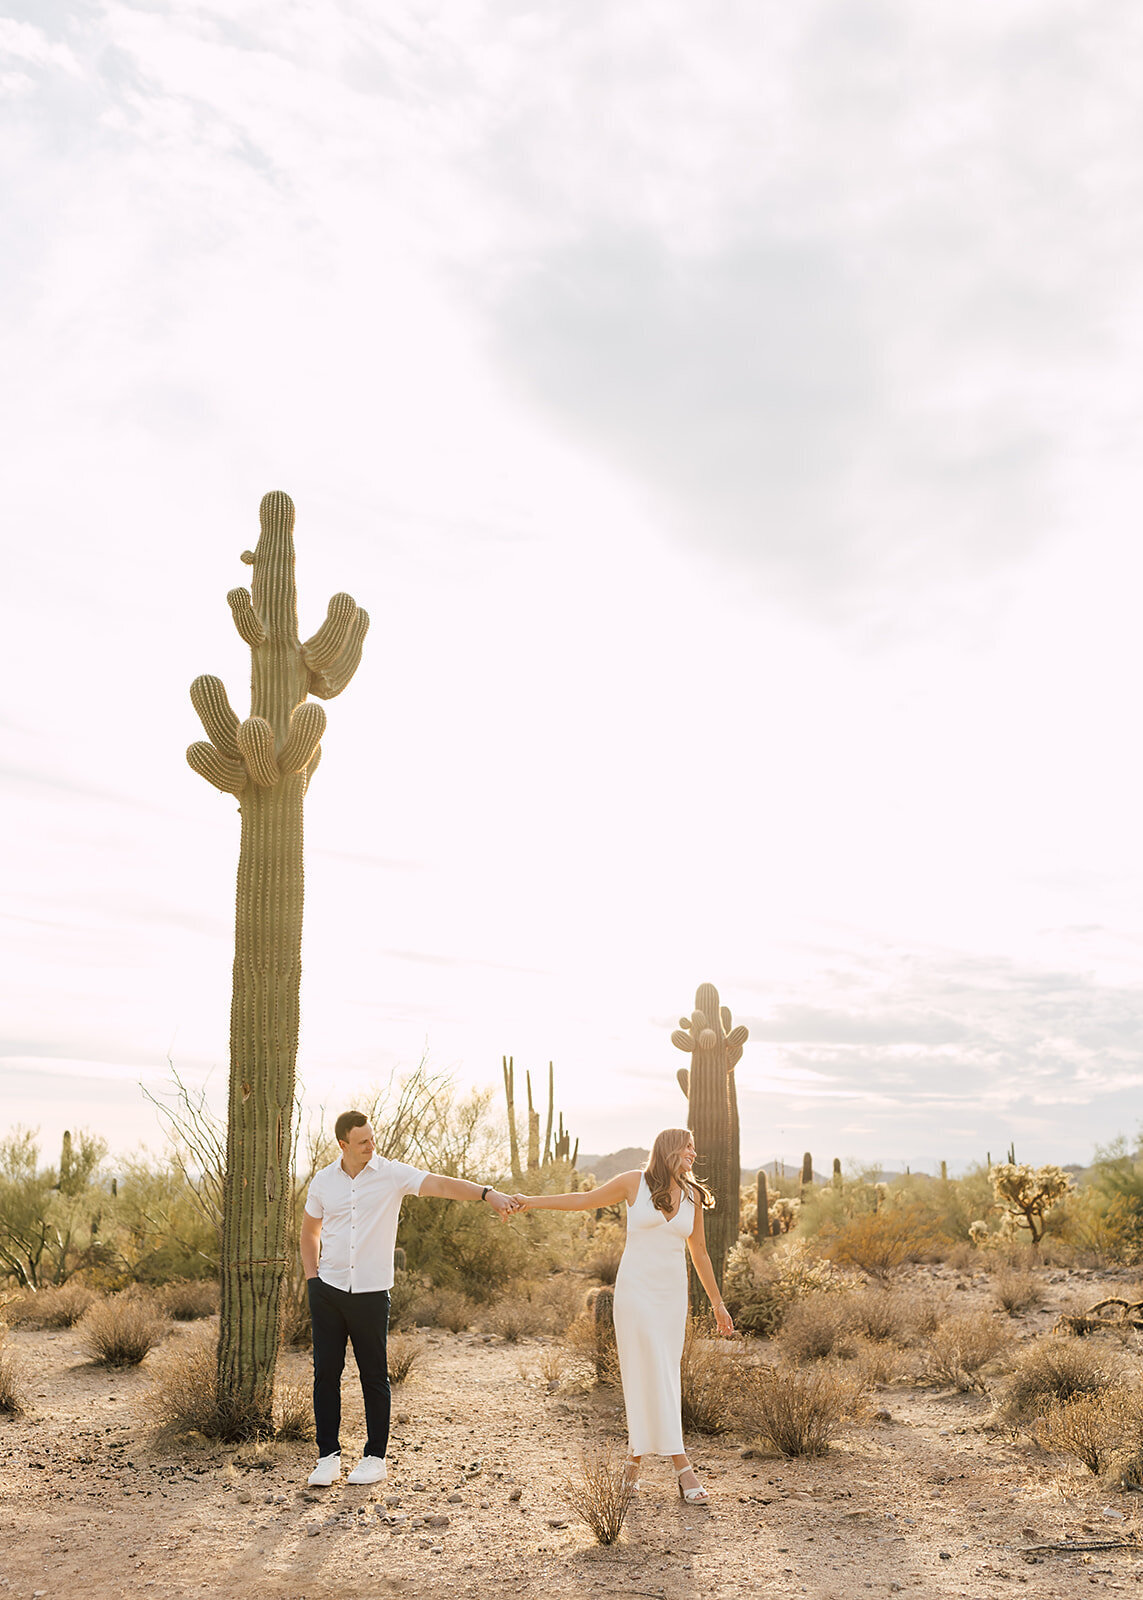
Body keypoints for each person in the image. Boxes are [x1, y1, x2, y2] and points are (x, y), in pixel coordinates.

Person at [300, 1109, 518, 1487]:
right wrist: (312, 1281)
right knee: (326, 1376)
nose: (371, 1145)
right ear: (342, 1145)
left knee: (373, 1376)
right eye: (363, 1141)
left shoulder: (391, 1174)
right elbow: (309, 1232)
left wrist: (486, 1194)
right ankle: (327, 1457)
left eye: (372, 1138)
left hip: (370, 1294)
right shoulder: (323, 1182)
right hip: (328, 1292)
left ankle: (374, 1457)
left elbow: (444, 1185)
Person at [515, 1127, 734, 1503]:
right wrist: (531, 1201)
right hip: (635, 1293)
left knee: (664, 1372)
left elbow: (699, 1252)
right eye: (688, 1147)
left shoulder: (693, 1196)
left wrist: (717, 1303)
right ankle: (680, 1467)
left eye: (694, 1148)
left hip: (670, 1297)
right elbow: (583, 1199)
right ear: (669, 1149)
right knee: (643, 1372)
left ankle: (635, 1463)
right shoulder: (633, 1183)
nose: (694, 1154)